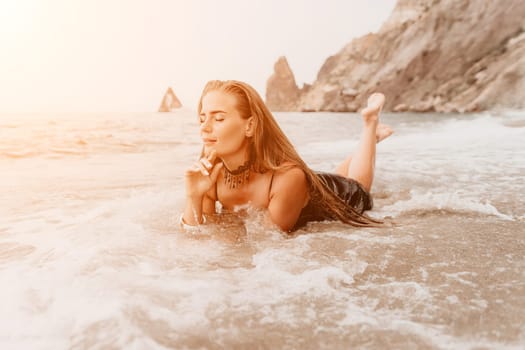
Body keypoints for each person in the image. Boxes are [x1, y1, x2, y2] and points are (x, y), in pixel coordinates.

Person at [180, 80, 392, 233]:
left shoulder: (287, 179)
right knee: (326, 179)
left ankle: (370, 125)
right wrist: (194, 196)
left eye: (218, 118)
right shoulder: (210, 175)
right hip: (313, 185)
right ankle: (370, 139)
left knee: (358, 184)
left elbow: (265, 241)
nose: (205, 128)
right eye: (202, 118)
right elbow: (200, 235)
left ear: (250, 126)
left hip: (342, 196)